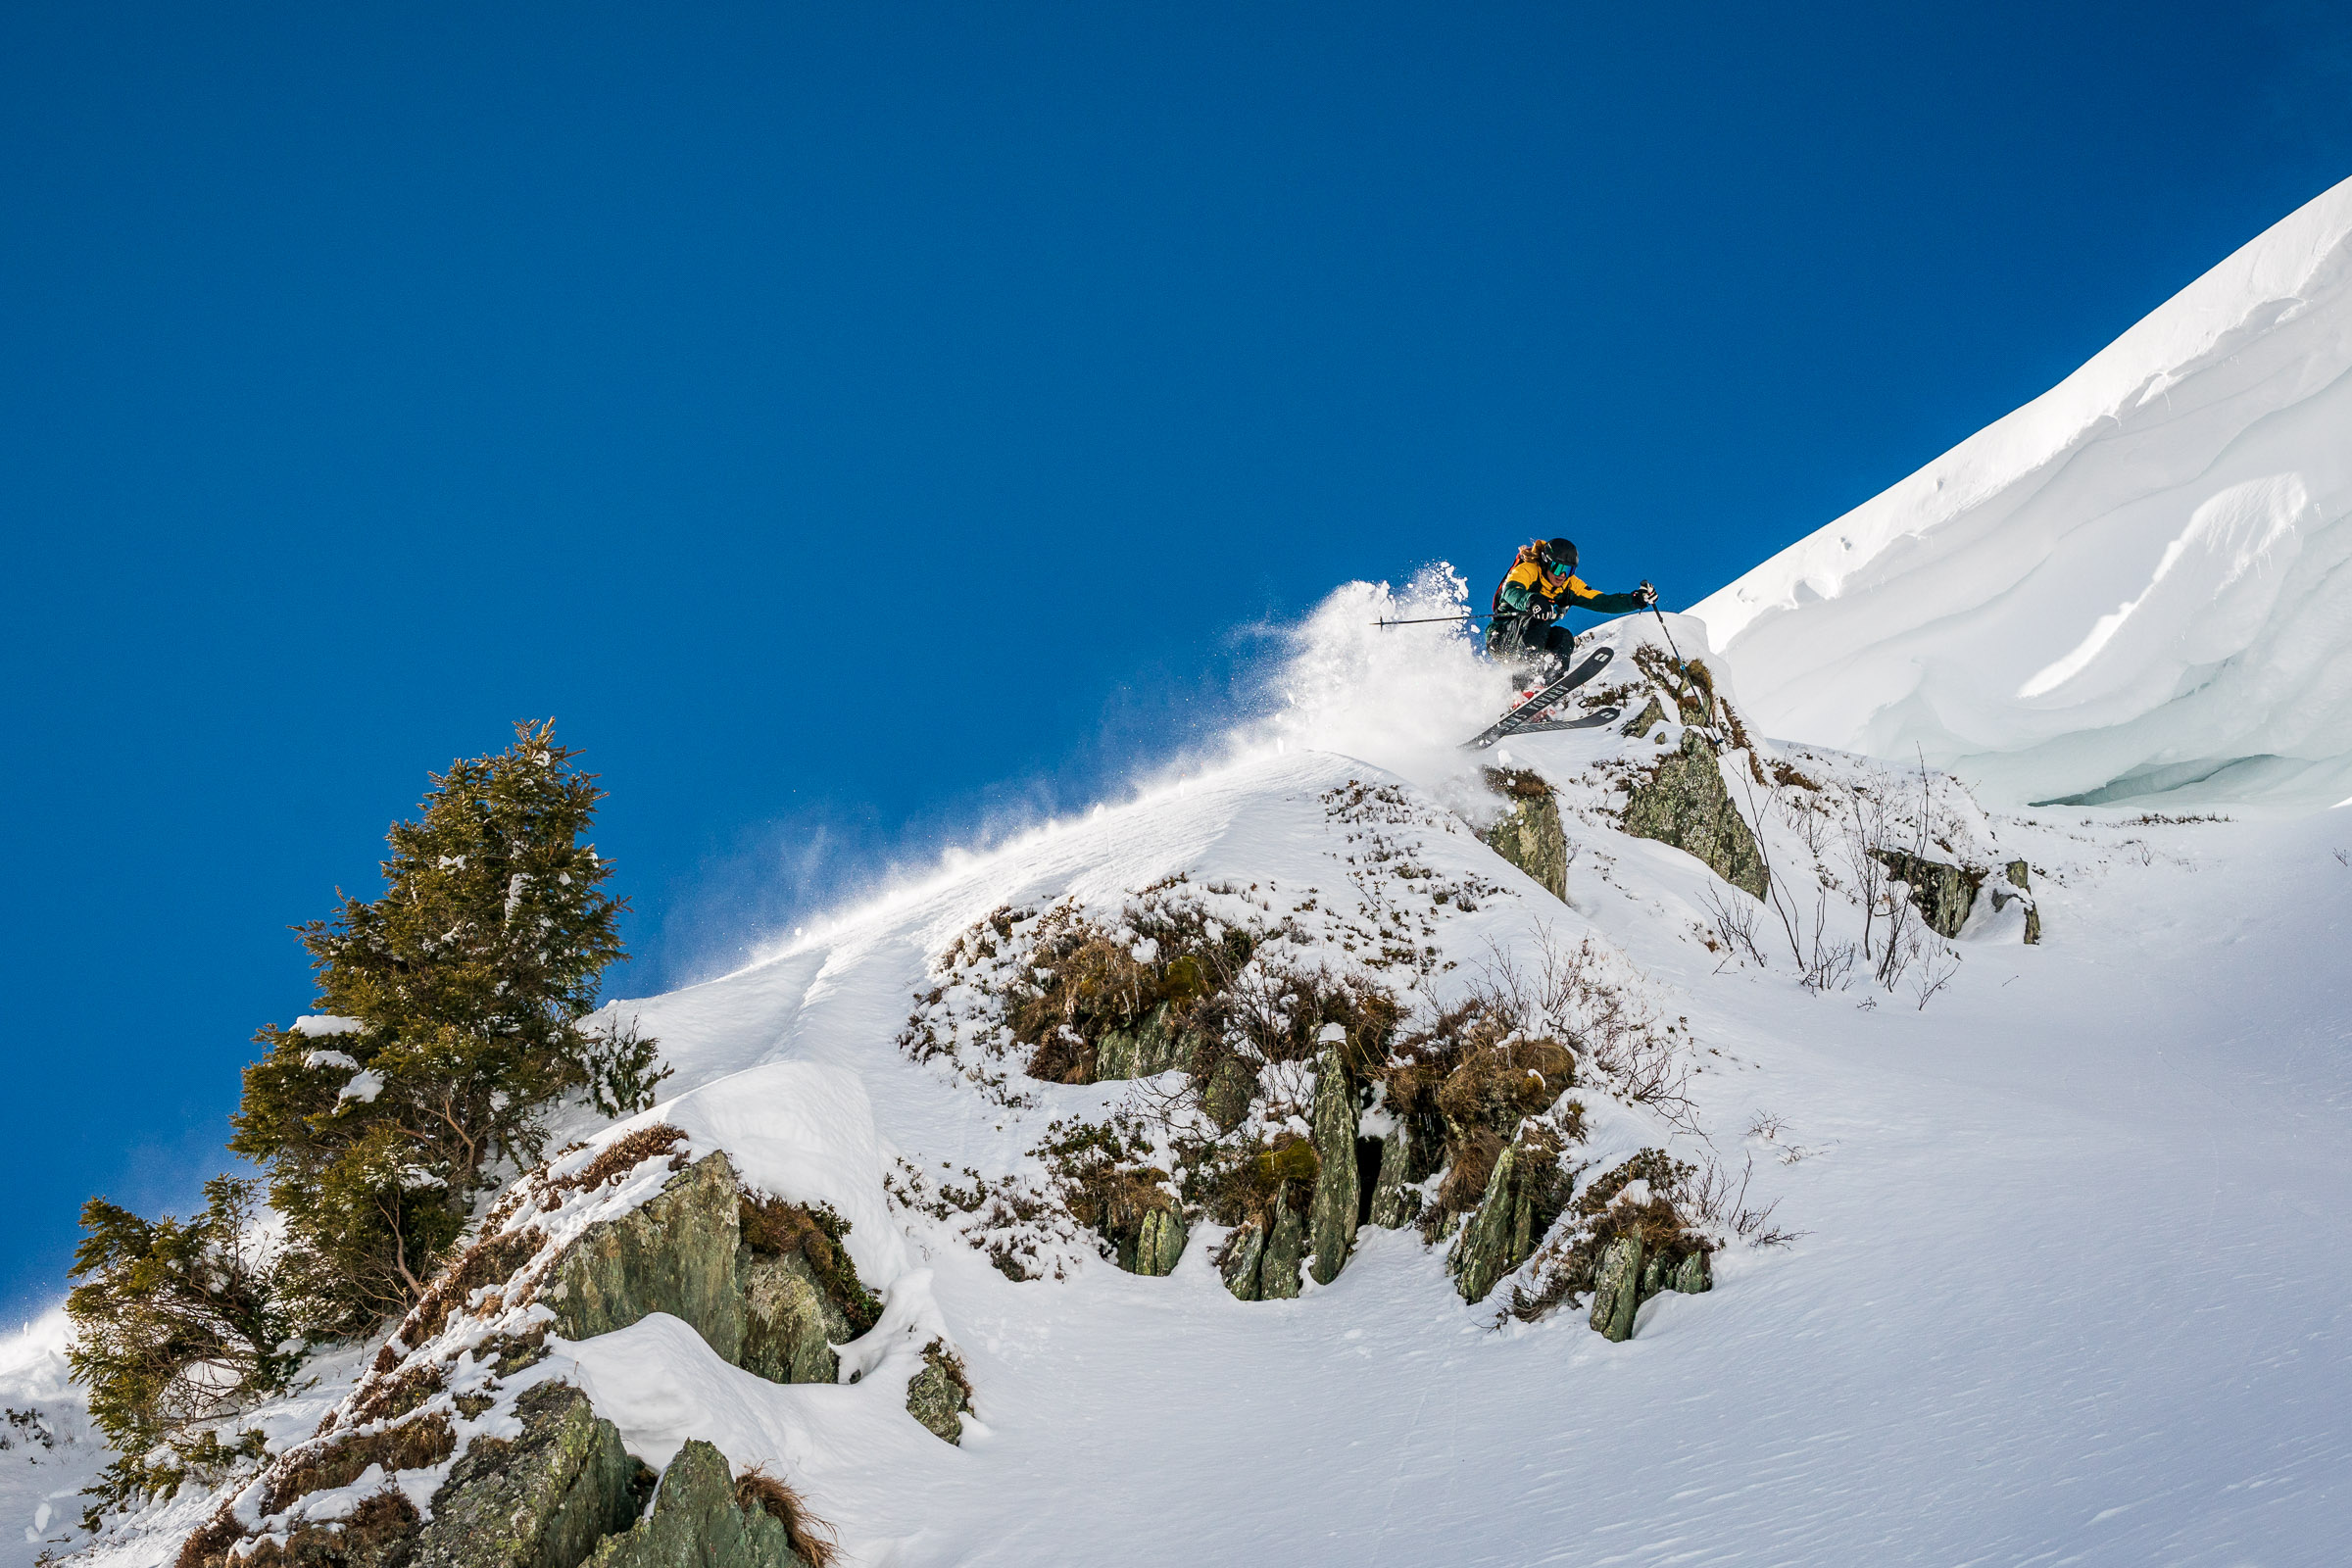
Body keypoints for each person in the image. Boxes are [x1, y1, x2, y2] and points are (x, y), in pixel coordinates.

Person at [1486, 537, 1657, 677]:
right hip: (1502, 638)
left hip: (1533, 641)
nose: (1562, 575)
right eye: (1557, 568)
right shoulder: (1528, 570)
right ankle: (1525, 686)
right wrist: (1532, 600)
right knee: (1538, 620)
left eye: (1568, 571)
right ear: (1546, 562)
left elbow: (1603, 601)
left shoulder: (1569, 586)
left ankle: (1548, 685)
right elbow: (1511, 591)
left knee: (1564, 637)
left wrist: (1636, 600)